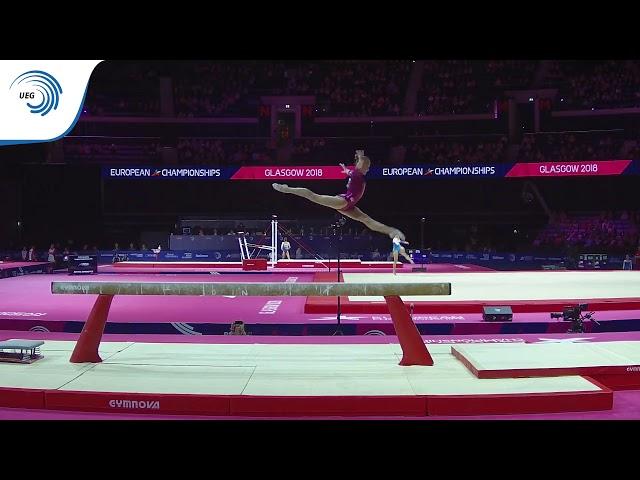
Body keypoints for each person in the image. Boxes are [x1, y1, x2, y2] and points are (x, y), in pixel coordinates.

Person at [272, 150, 406, 241]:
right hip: (346, 202)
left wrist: (358, 158)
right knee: (315, 197)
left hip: (347, 203)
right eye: (364, 165)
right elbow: (355, 169)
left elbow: (354, 169)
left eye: (361, 164)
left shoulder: (357, 174)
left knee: (365, 219)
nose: (364, 167)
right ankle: (286, 189)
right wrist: (355, 161)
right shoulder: (358, 173)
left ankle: (392, 231)